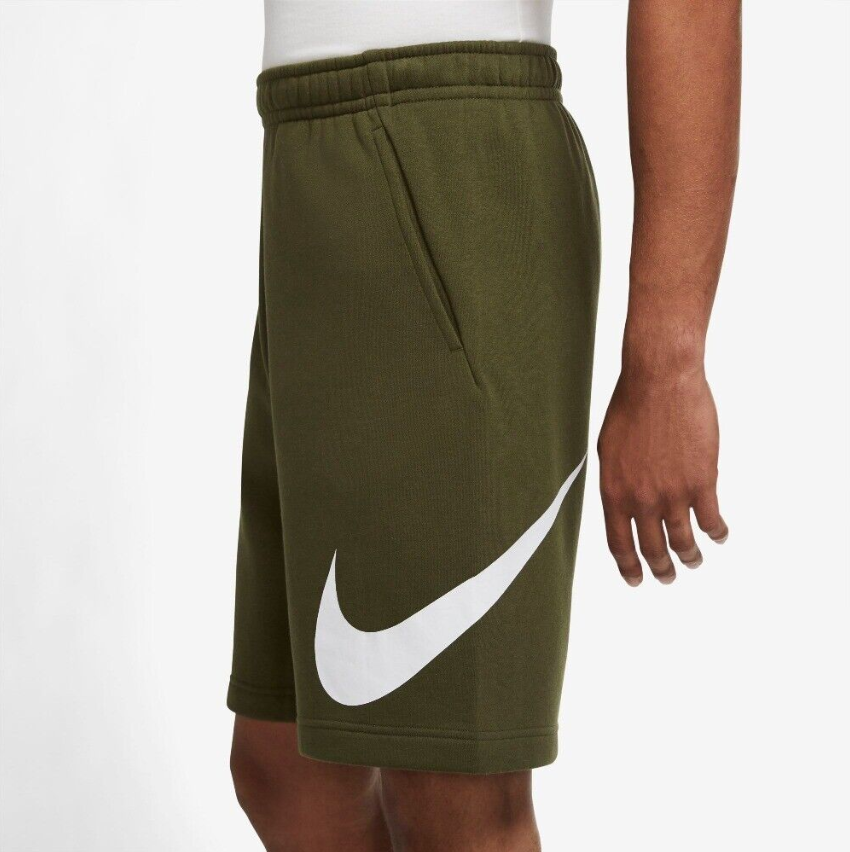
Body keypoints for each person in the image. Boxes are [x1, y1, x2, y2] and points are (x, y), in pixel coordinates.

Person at [227, 1, 740, 849]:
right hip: (306, 155)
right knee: (285, 768)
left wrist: (669, 363)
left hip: (446, 153)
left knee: (453, 797)